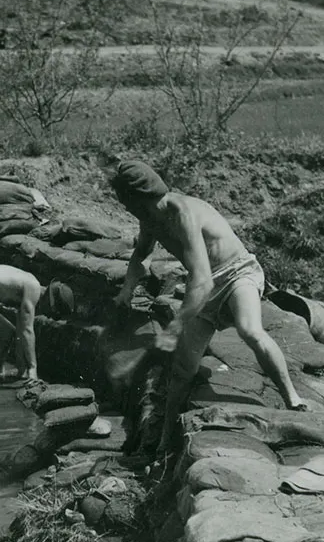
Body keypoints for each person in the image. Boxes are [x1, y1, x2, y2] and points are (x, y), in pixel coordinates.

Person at [110, 160, 308, 456]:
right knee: (182, 370)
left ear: (138, 198)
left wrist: (175, 328)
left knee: (249, 330)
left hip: (237, 272)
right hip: (205, 285)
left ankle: (292, 397)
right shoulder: (149, 217)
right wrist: (126, 290)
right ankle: (165, 442)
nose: (125, 209)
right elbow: (141, 253)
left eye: (126, 202)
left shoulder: (182, 213)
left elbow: (202, 281)